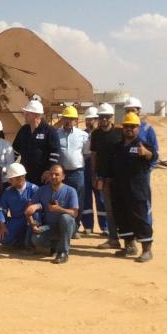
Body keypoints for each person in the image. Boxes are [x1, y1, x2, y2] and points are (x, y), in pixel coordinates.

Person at [109, 112, 157, 262]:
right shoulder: (117, 147)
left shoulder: (143, 145)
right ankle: (129, 246)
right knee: (122, 217)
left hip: (137, 189)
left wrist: (146, 153)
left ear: (138, 128)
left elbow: (154, 156)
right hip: (119, 188)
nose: (129, 129)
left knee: (140, 217)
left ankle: (147, 249)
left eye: (132, 126)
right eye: (126, 126)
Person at [25, 164, 79, 264]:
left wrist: (60, 209)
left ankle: (63, 253)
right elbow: (29, 208)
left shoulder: (71, 191)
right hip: (49, 226)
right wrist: (32, 222)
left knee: (66, 218)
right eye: (51, 174)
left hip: (68, 226)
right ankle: (56, 245)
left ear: (63, 176)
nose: (53, 177)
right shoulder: (42, 190)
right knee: (35, 239)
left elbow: (74, 213)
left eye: (57, 174)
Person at [90, 103, 123, 250]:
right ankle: (113, 239)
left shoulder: (120, 133)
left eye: (106, 117)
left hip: (119, 179)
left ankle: (129, 240)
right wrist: (94, 175)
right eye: (101, 117)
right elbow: (94, 155)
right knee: (109, 209)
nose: (103, 120)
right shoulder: (96, 134)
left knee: (123, 209)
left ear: (111, 118)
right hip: (104, 178)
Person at [56, 106, 90, 236]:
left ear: (76, 120)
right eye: (66, 118)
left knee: (78, 201)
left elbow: (86, 154)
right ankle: (63, 227)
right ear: (62, 119)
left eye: (71, 119)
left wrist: (75, 162)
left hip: (77, 173)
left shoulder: (83, 135)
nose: (68, 121)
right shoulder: (56, 134)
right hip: (61, 174)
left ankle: (74, 227)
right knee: (62, 200)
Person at [12, 99, 60, 186]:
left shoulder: (50, 131)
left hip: (43, 178)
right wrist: (11, 166)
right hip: (25, 176)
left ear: (35, 115)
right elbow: (15, 151)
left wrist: (49, 170)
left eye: (27, 114)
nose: (24, 115)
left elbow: (55, 153)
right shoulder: (23, 130)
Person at [0, 163, 39, 248]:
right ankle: (23, 240)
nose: (9, 181)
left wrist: (35, 206)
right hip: (17, 219)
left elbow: (43, 205)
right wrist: (2, 224)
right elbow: (1, 209)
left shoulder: (34, 189)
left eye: (11, 179)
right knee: (3, 239)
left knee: (36, 214)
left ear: (20, 178)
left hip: (32, 220)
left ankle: (29, 240)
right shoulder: (8, 192)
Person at [81, 106, 107, 235]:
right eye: (87, 119)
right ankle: (88, 226)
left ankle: (105, 227)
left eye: (91, 119)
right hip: (85, 167)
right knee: (86, 197)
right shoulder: (82, 134)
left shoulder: (101, 134)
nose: (88, 122)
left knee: (101, 198)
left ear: (97, 119)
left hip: (98, 168)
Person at [123, 97, 159, 169]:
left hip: (141, 172)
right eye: (128, 111)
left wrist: (149, 168)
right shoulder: (123, 127)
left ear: (139, 111)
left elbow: (155, 151)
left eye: (133, 110)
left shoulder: (147, 128)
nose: (130, 113)